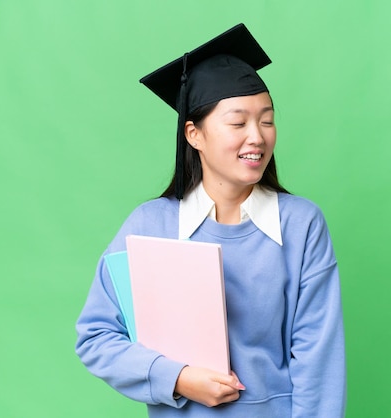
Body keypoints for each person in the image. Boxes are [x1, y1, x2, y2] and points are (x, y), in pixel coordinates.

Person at [75, 23, 346, 417]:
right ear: (194, 134)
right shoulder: (150, 225)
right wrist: (177, 378)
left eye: (266, 121)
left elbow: (318, 361)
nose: (257, 136)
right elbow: (96, 337)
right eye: (238, 123)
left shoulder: (301, 224)